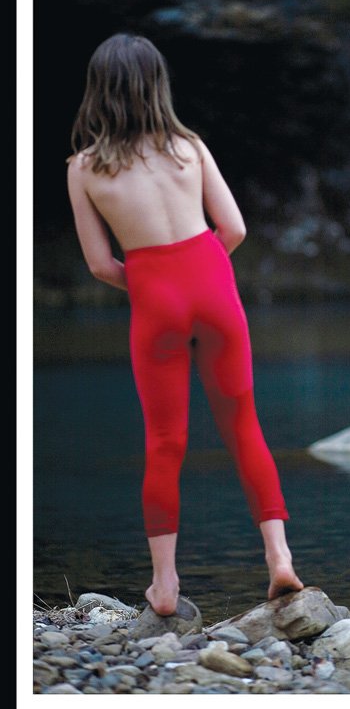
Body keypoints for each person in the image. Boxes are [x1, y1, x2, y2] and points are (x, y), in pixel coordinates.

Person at [66, 33, 303, 616]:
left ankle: (165, 586)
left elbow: (100, 264)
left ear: (98, 91)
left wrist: (152, 285)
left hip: (156, 301)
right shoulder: (188, 146)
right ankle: (279, 559)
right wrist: (202, 274)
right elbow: (235, 229)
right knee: (244, 426)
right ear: (157, 85)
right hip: (213, 286)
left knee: (165, 443)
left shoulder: (84, 168)